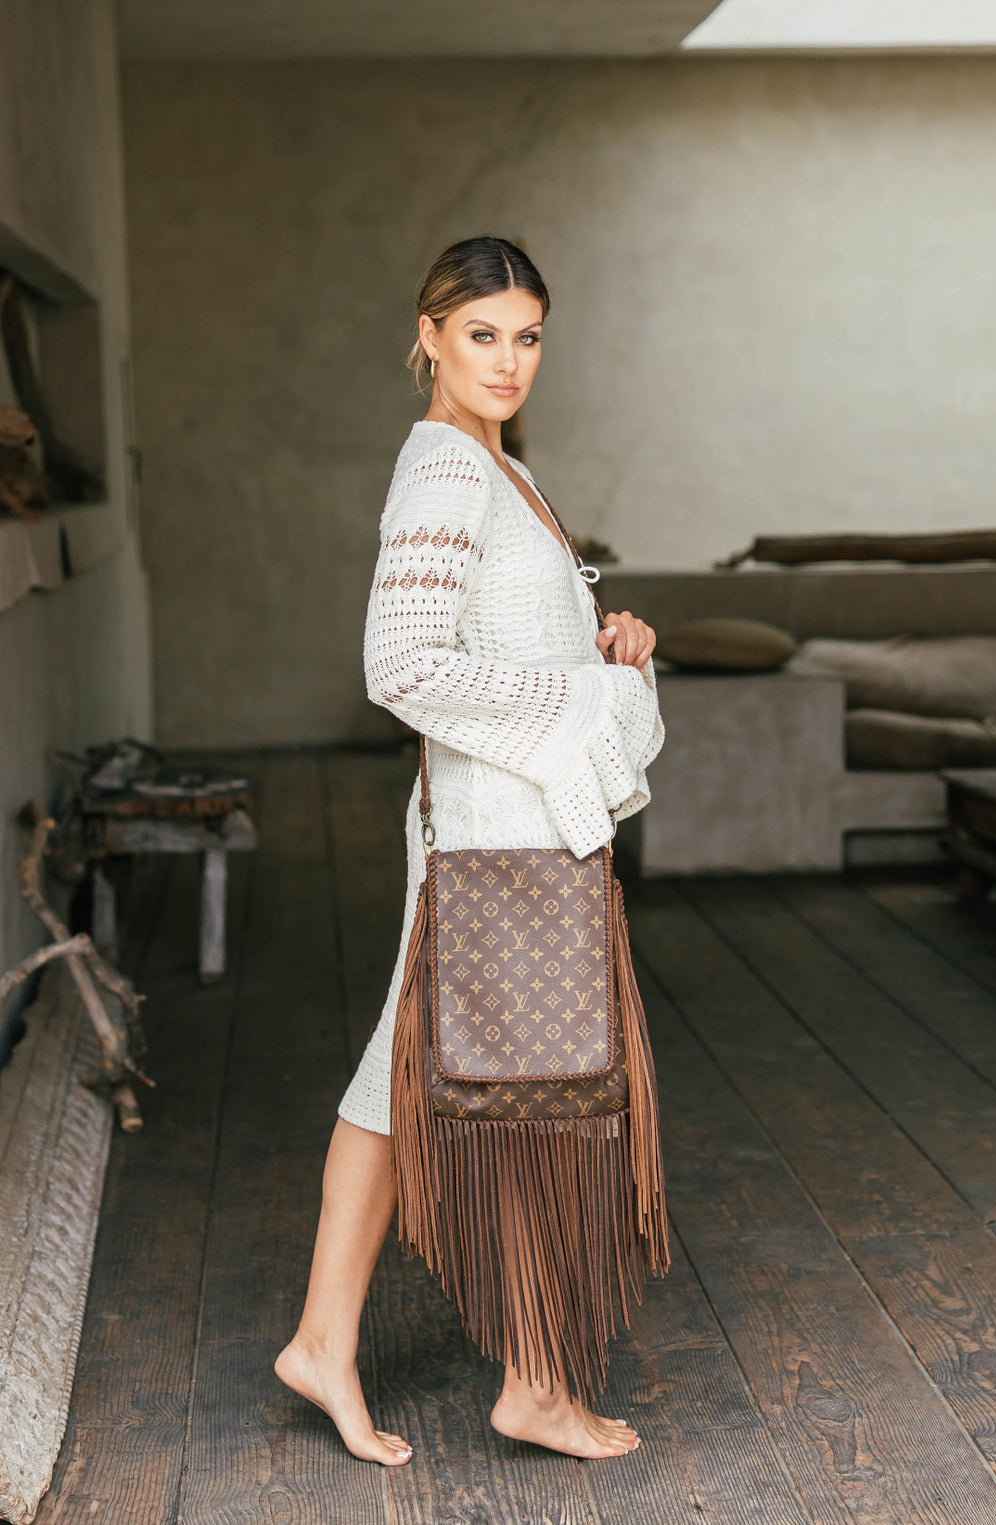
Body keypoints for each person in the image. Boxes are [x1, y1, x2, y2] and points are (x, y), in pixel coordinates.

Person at [275, 236, 664, 1464]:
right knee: (539, 1101)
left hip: (501, 832)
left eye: (527, 336)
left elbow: (494, 642)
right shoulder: (447, 468)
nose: (507, 360)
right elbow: (402, 665)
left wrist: (600, 651)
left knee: (404, 1073)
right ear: (429, 335)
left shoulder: (501, 468)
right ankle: (535, 1381)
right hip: (498, 844)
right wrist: (584, 703)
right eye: (481, 334)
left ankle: (324, 1341)